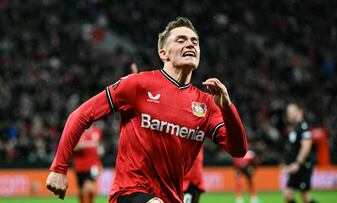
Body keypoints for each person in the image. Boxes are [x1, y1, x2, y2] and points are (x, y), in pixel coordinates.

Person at [46, 16, 248, 203]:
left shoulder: (206, 104)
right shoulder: (138, 85)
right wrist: (59, 168)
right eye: (181, 40)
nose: (190, 44)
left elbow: (238, 150)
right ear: (163, 53)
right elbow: (80, 115)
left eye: (195, 41)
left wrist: (227, 108)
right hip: (129, 193)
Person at [283, 103, 317, 203]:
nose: (288, 114)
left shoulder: (303, 127)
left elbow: (306, 147)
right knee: (288, 195)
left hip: (302, 166)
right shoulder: (294, 128)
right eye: (288, 112)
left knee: (305, 197)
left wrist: (297, 163)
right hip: (294, 167)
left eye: (291, 112)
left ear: (299, 112)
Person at [73, 123, 104, 203]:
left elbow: (99, 148)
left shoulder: (97, 131)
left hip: (93, 165)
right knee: (81, 191)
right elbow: (72, 148)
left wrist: (100, 159)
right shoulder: (78, 132)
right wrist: (79, 146)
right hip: (80, 165)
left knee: (89, 188)